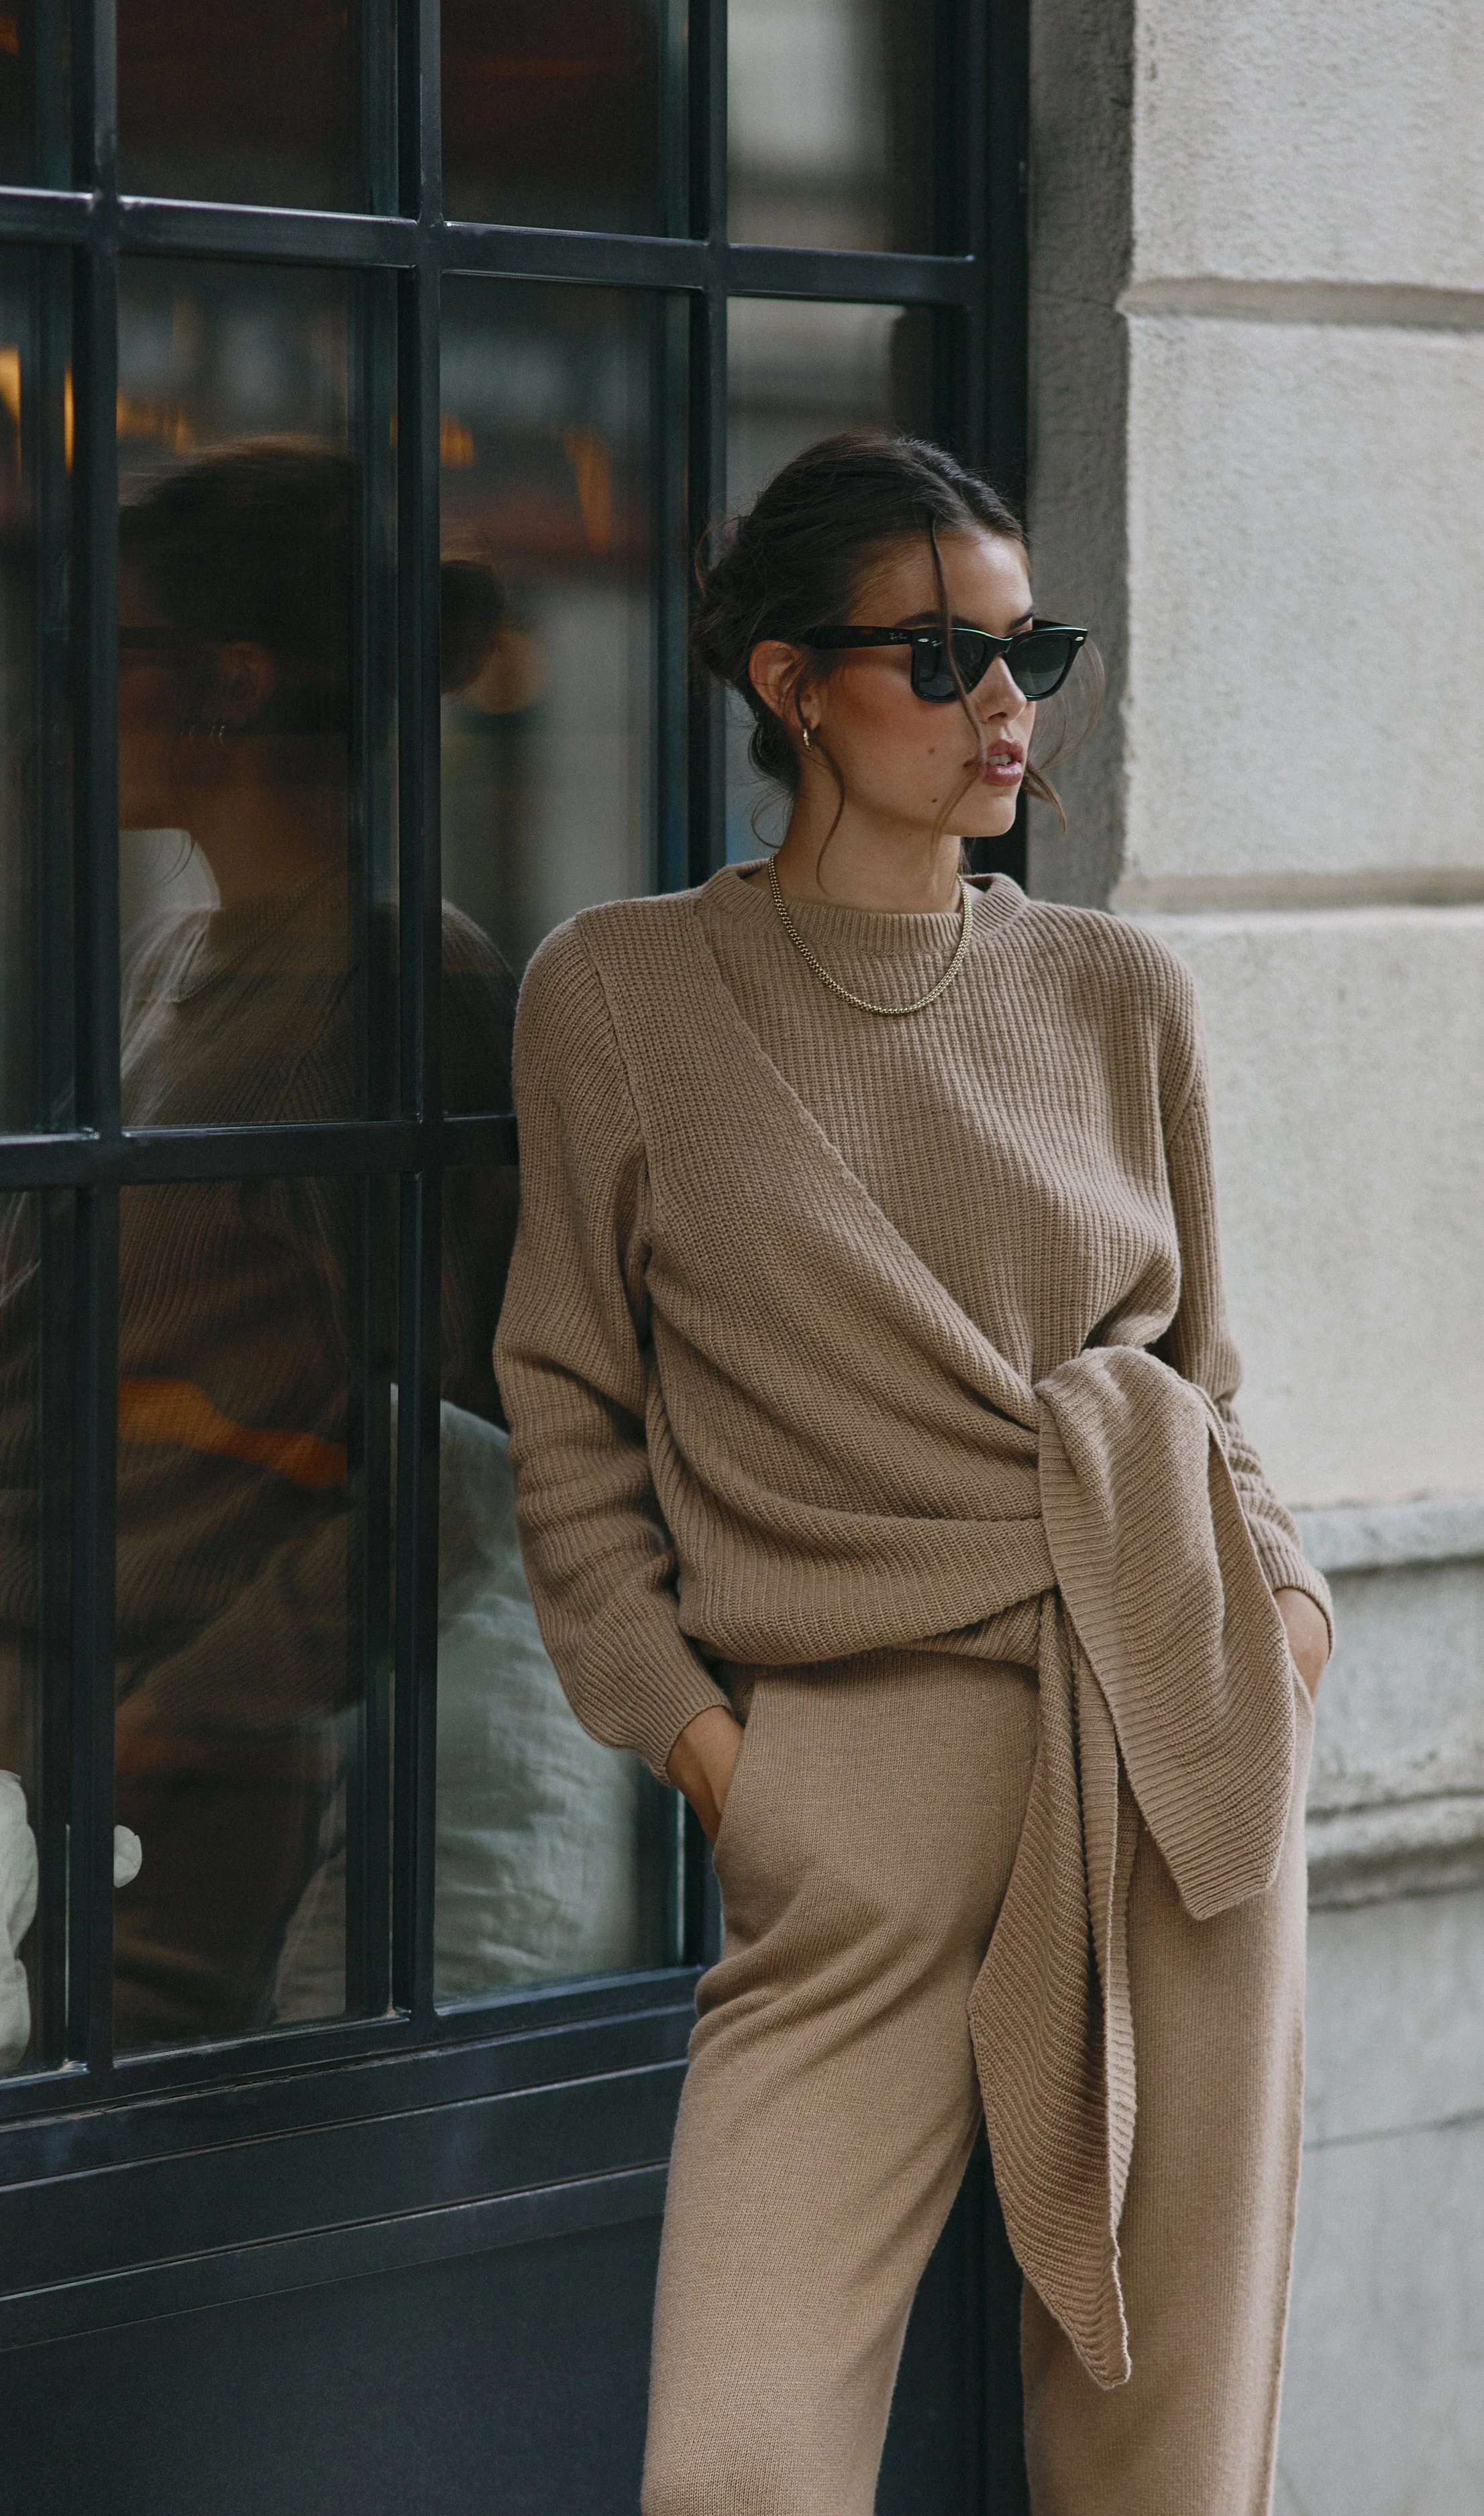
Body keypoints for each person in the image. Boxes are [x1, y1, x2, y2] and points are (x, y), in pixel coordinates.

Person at [494, 429, 1332, 2516]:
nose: (1000, 706)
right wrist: (716, 1753)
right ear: (788, 682)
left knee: (1169, 2446)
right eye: (939, 652)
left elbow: (1201, 1376)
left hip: (1177, 1722)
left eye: (1024, 645)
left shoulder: (1115, 984)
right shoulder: (617, 993)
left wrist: (1291, 1624)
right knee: (740, 2454)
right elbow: (569, 1419)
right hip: (853, 1767)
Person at [0, 437, 519, 2052]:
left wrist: (180, 1719)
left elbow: (454, 1463)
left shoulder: (399, 993)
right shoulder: (179, 956)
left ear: (229, 686)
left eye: (106, 653)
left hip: (151, 1783)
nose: (65, 694)